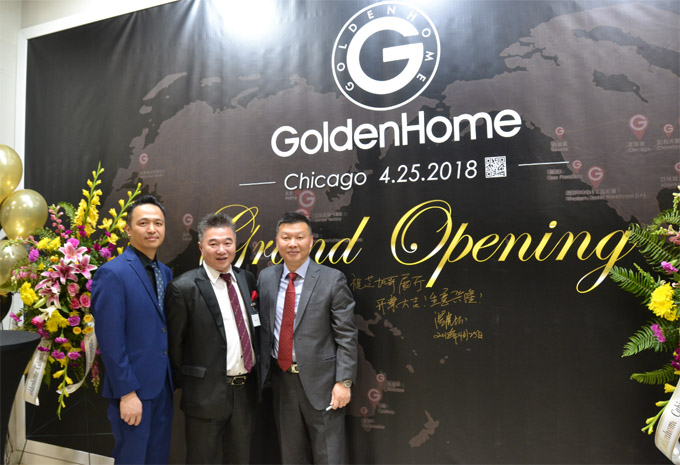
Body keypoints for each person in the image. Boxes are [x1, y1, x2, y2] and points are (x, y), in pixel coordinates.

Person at [258, 211, 358, 464]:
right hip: (281, 381)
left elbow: (347, 334)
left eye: (300, 237)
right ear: (277, 241)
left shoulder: (332, 279)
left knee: (329, 455)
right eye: (286, 237)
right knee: (290, 454)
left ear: (311, 241)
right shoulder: (266, 278)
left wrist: (344, 381)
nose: (293, 244)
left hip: (323, 384)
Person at [166, 212, 259, 464]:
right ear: (200, 247)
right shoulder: (183, 288)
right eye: (213, 243)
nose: (221, 250)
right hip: (204, 396)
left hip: (245, 394)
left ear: (235, 244)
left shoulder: (246, 279)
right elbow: (175, 346)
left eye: (228, 242)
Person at [91, 194, 173, 464]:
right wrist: (127, 393)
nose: (152, 229)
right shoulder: (112, 273)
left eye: (158, 223)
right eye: (143, 223)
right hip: (133, 390)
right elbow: (110, 341)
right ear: (128, 229)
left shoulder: (165, 272)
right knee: (132, 459)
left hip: (162, 387)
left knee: (157, 458)